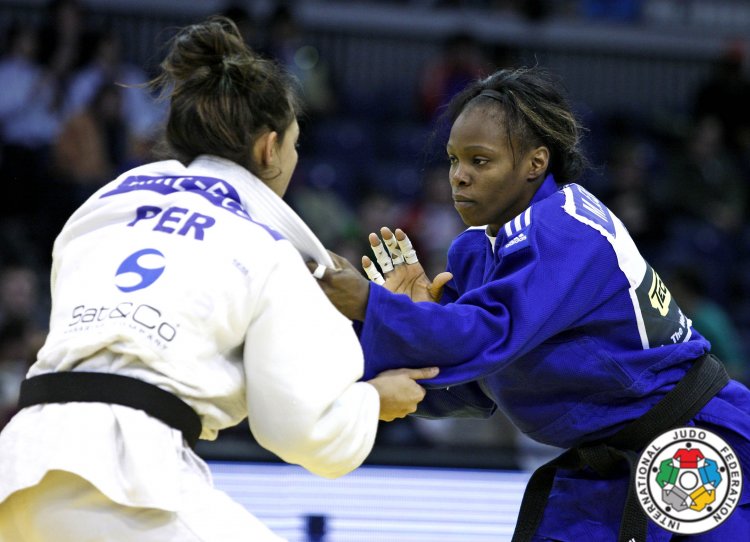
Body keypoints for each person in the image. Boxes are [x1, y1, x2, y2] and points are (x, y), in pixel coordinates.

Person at [0, 16, 435, 542]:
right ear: (268, 149)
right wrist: (373, 399)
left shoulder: (103, 206)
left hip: (19, 461)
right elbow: (302, 432)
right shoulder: (264, 243)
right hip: (121, 480)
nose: (294, 162)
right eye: (295, 147)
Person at [310, 66, 750, 541]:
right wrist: (396, 344)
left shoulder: (566, 230)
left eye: (480, 161)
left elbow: (486, 334)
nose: (459, 177)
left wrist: (371, 305)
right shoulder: (476, 251)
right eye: (454, 159)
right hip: (606, 459)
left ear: (535, 163)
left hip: (689, 442)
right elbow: (469, 384)